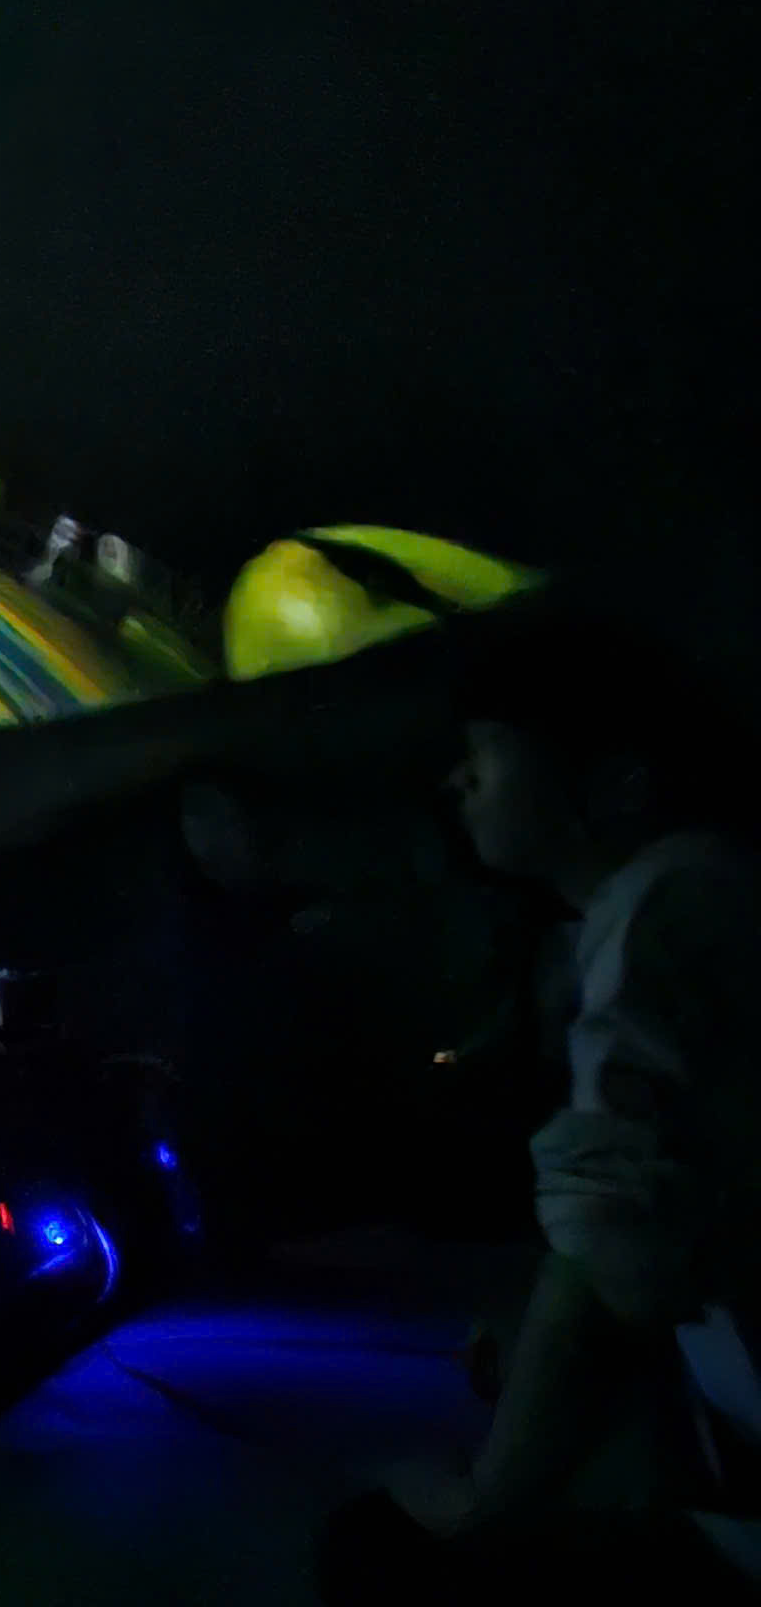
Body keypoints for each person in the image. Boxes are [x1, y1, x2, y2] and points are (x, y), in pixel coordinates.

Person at [317, 603, 761, 1598]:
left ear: (621, 781)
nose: (458, 780)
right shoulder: (663, 898)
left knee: (373, 1555)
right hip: (722, 1449)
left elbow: (617, 1254)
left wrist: (483, 1505)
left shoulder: (672, 898)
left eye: (487, 750)